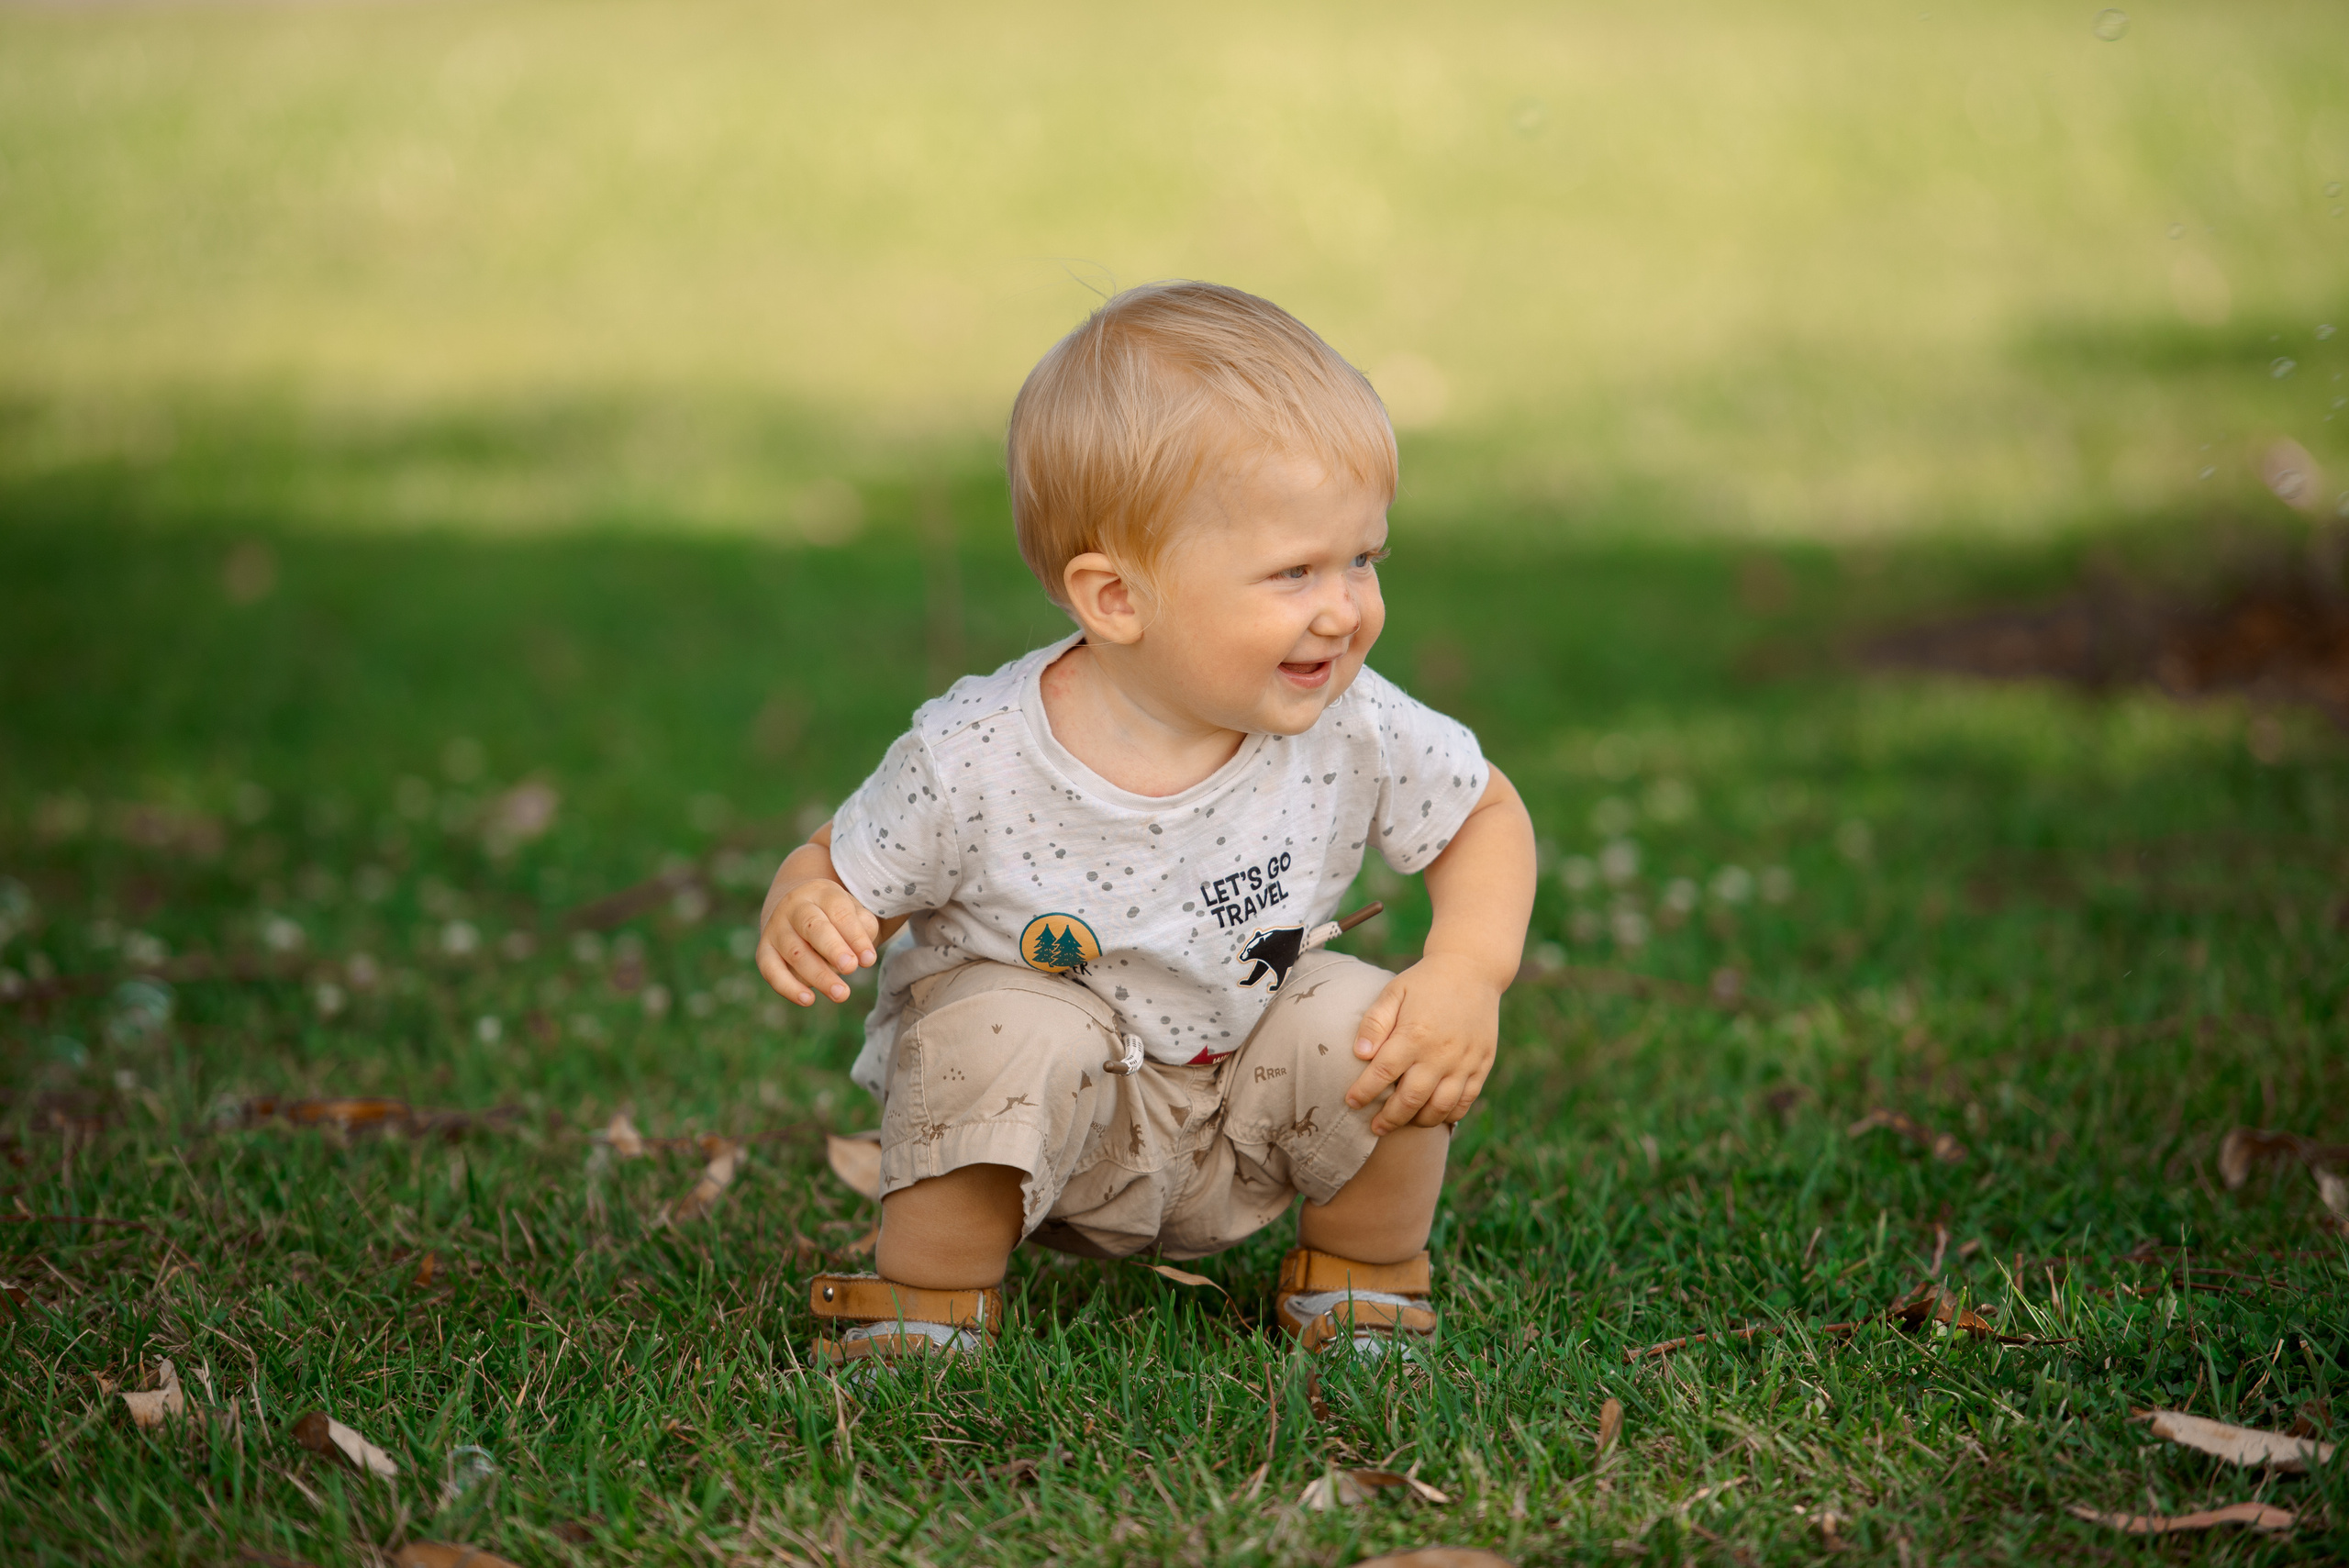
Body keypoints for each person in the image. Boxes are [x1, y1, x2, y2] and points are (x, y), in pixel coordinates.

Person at [755, 282, 1536, 1370]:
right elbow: (840, 869)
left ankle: (1361, 1275)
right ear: (1116, 598)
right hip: (1038, 1124)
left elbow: (1481, 811)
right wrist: (810, 901)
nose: (1343, 607)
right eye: (1294, 571)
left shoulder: (1349, 718)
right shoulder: (975, 752)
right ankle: (925, 1301)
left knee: (1372, 1018)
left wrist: (1464, 969)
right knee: (997, 1024)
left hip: (1242, 1080)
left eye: (1363, 557)